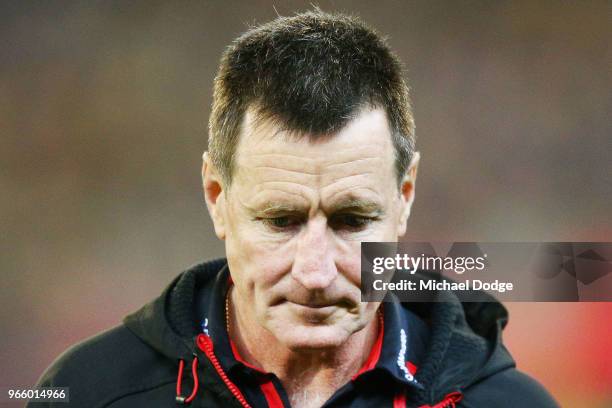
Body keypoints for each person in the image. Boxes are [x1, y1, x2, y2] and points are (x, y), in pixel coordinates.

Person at [31, 10, 559, 408]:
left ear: (404, 198)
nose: (315, 272)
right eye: (280, 221)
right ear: (217, 198)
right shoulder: (86, 392)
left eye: (352, 220)